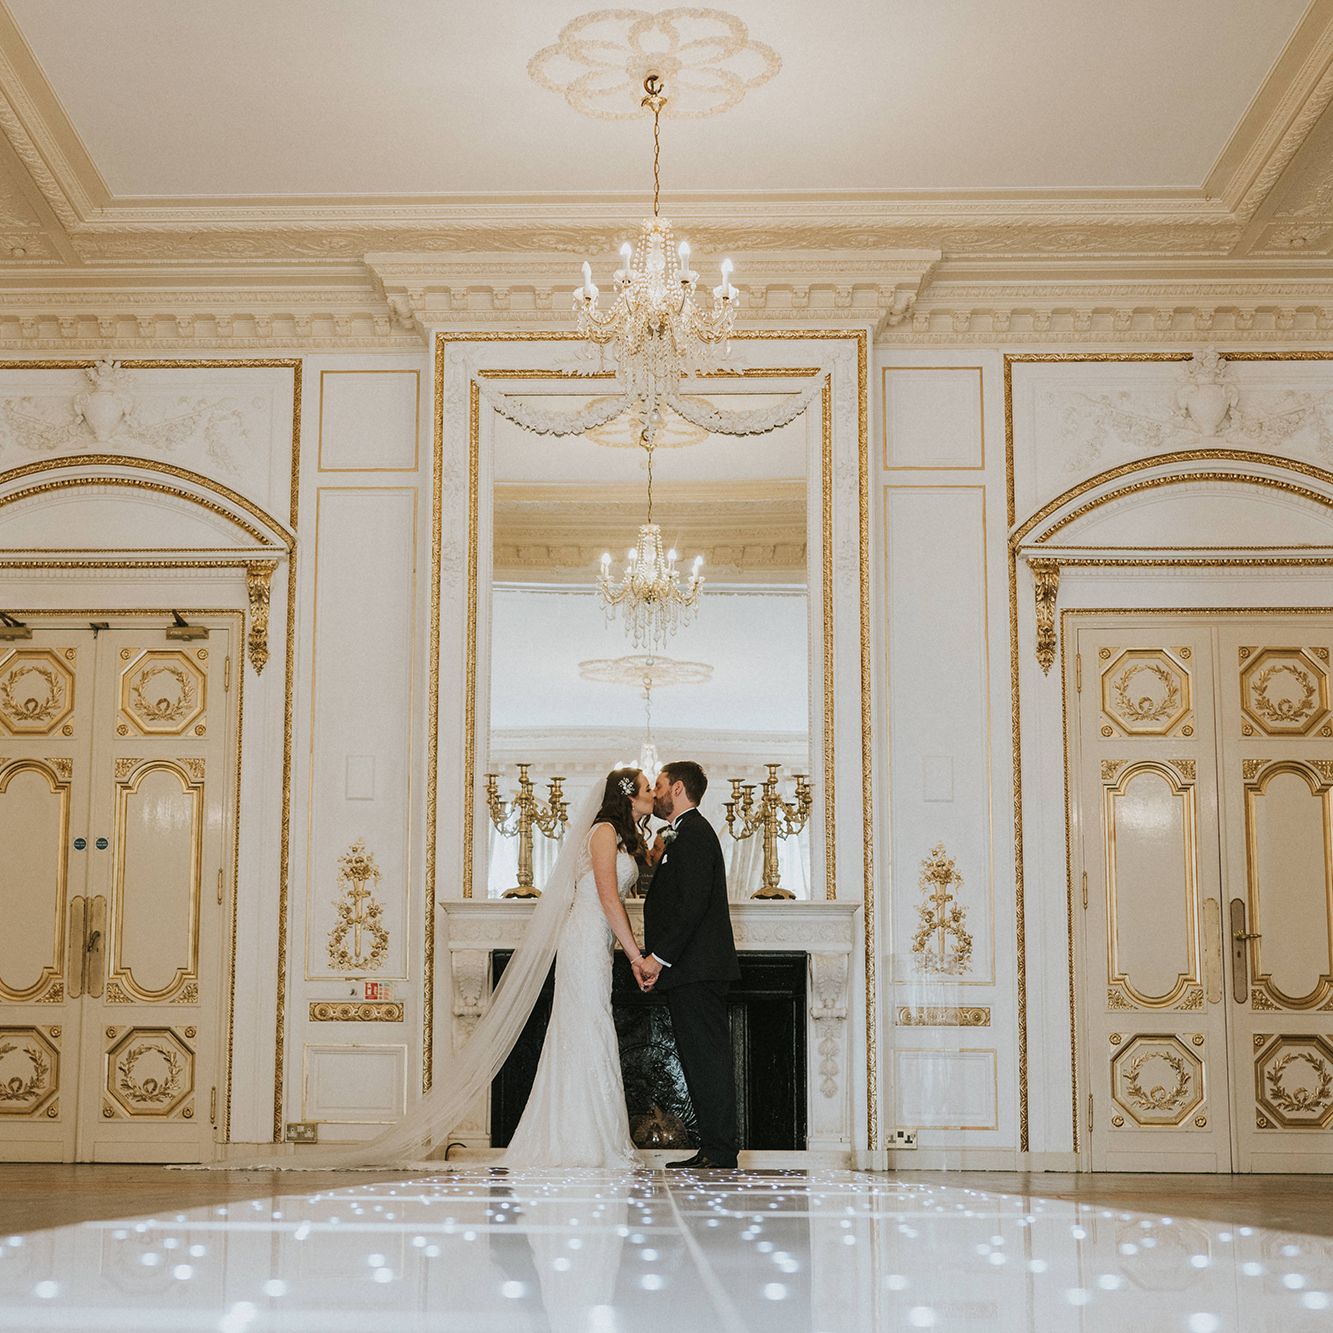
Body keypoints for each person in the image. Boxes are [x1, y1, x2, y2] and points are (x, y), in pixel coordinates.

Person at [502, 767, 654, 1166]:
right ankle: (580, 1141)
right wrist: (636, 956)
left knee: (589, 1027)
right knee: (589, 1026)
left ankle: (586, 1135)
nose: (652, 794)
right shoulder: (603, 832)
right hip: (585, 940)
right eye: (646, 789)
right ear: (628, 797)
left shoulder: (620, 837)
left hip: (598, 943)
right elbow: (608, 899)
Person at [638, 760, 741, 1169]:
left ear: (678, 788)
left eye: (659, 785)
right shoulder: (681, 834)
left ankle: (720, 1152)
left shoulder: (695, 833)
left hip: (698, 969)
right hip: (692, 969)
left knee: (708, 1061)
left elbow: (691, 906)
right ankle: (713, 1150)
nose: (656, 793)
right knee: (700, 1061)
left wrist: (657, 959)